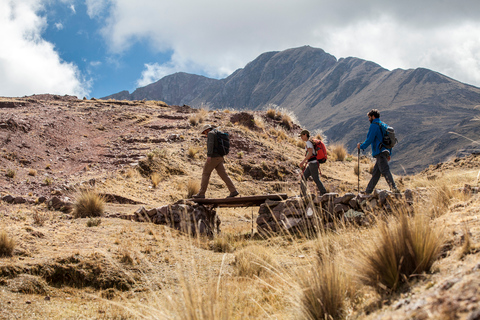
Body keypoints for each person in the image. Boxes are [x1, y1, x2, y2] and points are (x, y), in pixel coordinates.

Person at [357, 109, 399, 194]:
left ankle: (394, 189)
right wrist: (388, 154)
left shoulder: (374, 125)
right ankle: (368, 191)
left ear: (373, 116)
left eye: (369, 117)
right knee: (376, 173)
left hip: (380, 152)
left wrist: (361, 146)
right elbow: (388, 141)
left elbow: (370, 139)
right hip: (385, 151)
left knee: (385, 170)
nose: (369, 119)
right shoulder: (383, 125)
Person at [193, 124, 239, 199]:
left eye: (204, 132)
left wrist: (209, 155)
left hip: (214, 157)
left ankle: (201, 194)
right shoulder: (216, 133)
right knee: (224, 175)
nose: (205, 134)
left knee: (205, 174)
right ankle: (233, 191)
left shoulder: (211, 133)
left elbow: (211, 144)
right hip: (220, 157)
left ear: (207, 130)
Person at [299, 129, 327, 197]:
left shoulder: (308, 143)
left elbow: (310, 153)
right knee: (304, 177)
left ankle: (324, 193)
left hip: (313, 163)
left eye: (302, 136)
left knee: (316, 179)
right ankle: (302, 194)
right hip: (312, 163)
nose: (301, 138)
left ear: (305, 135)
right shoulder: (309, 142)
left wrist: (303, 161)